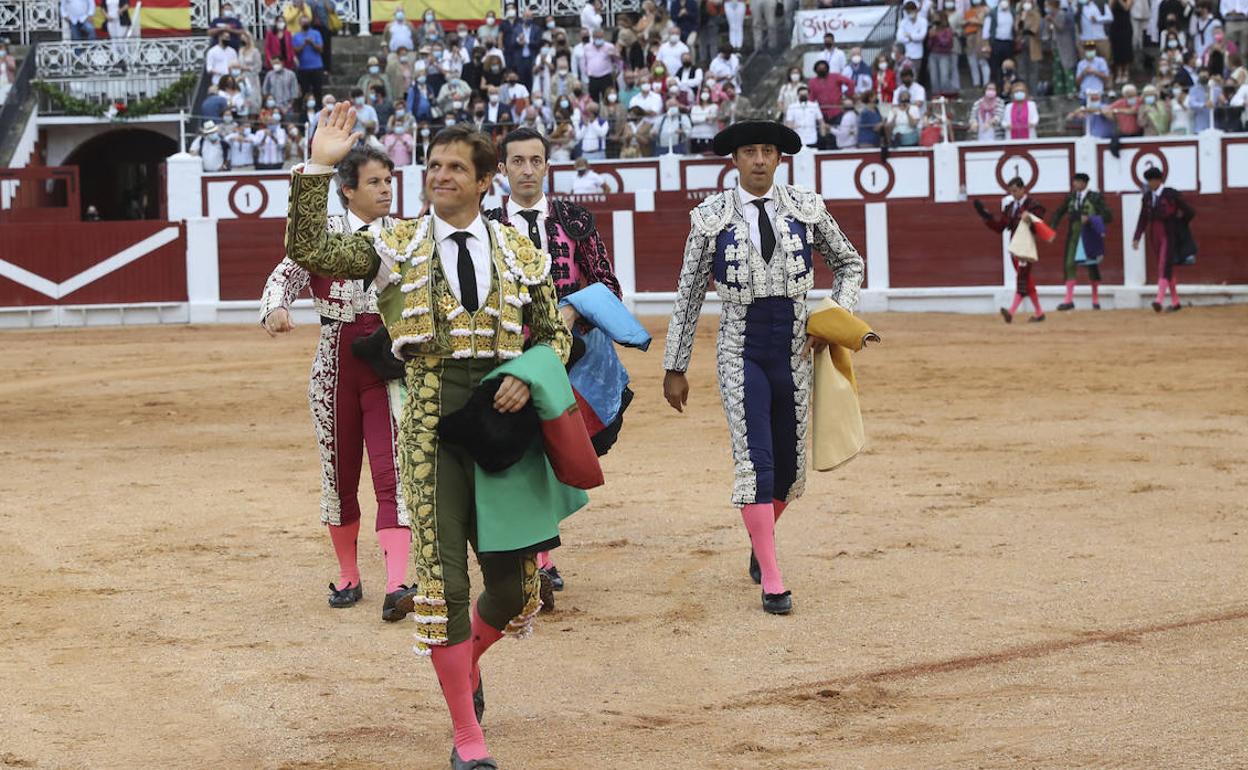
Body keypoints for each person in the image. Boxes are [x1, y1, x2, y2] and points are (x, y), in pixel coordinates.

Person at [285, 109, 575, 770]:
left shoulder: (519, 250)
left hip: (503, 419)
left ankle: (467, 662)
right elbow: (312, 251)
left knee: (516, 589)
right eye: (434, 166)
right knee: (442, 583)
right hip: (430, 423)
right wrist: (318, 167)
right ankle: (468, 736)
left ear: (485, 180)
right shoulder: (395, 244)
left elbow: (555, 334)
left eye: (454, 168)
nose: (440, 177)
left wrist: (529, 374)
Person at [662, 120, 864, 616]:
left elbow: (849, 263)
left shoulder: (805, 207)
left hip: (795, 349)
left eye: (767, 151)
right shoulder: (710, 218)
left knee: (790, 471)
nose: (758, 159)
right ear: (734, 160)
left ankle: (761, 539)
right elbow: (689, 293)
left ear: (779, 158)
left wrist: (835, 318)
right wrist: (675, 365)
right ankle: (773, 580)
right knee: (756, 462)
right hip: (740, 349)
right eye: (749, 151)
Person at [261, 147, 415, 619]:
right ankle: (348, 575)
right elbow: (283, 276)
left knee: (393, 474)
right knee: (339, 474)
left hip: (388, 366)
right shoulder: (322, 234)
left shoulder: (406, 237)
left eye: (388, 180)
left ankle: (398, 583)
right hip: (334, 368)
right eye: (374, 182)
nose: (385, 189)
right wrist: (275, 308)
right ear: (347, 189)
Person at [484, 127, 622, 605]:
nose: (527, 170)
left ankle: (537, 556)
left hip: (566, 357)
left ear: (547, 166)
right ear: (501, 169)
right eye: (517, 161)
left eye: (535, 161)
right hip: (505, 356)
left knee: (553, 451)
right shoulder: (485, 224)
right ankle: (539, 558)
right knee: (524, 453)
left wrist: (574, 309)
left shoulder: (574, 220)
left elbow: (608, 284)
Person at [973, 177, 1046, 323]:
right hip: (1015, 248)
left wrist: (1030, 218)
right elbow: (1000, 227)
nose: (1013, 194)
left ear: (1022, 189)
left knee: (1022, 279)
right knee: (1026, 280)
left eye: (1015, 191)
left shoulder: (1032, 205)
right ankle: (1039, 313)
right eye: (1011, 191)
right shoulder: (1011, 207)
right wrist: (986, 216)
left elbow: (1039, 223)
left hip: (1026, 247)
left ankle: (1011, 312)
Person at [1133, 167, 1196, 313]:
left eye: (1151, 180)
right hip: (1154, 234)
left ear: (1158, 180)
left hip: (1168, 233)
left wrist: (1180, 224)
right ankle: (1176, 302)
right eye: (1148, 180)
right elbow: (1143, 218)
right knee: (1166, 267)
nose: (1149, 183)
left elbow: (1190, 211)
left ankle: (1158, 300)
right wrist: (1137, 237)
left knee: (1164, 265)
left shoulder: (1170, 194)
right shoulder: (1147, 197)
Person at [1051, 172, 1113, 310]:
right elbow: (1059, 212)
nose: (1075, 184)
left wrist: (1090, 218)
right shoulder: (1071, 197)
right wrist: (1052, 228)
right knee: (1069, 264)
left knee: (1092, 266)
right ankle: (1068, 300)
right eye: (1074, 181)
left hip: (1089, 235)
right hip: (1074, 235)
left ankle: (1095, 299)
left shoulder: (1095, 197)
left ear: (1084, 183)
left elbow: (1108, 215)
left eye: (1077, 182)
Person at [293, 15, 324, 105]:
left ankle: (318, 108)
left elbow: (320, 49)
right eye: (303, 22)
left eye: (306, 22)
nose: (305, 23)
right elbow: (295, 51)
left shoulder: (316, 33)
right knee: (304, 91)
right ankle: (303, 109)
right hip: (303, 68)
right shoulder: (296, 36)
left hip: (316, 67)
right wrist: (304, 44)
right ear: (300, 23)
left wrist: (312, 43)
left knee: (318, 90)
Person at [896, 2, 928, 78]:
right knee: (904, 75)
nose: (909, 13)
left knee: (915, 76)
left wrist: (909, 36)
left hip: (917, 55)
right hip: (906, 54)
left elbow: (921, 36)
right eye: (908, 12)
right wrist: (913, 38)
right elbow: (899, 38)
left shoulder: (923, 21)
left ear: (916, 10)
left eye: (910, 11)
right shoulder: (903, 22)